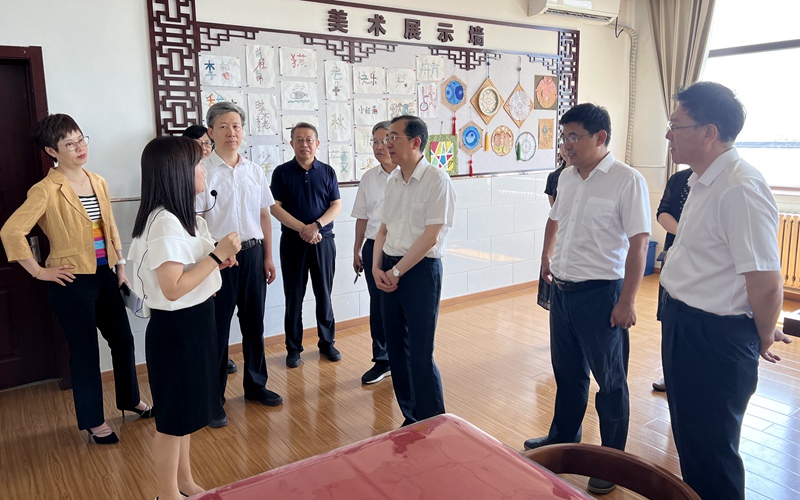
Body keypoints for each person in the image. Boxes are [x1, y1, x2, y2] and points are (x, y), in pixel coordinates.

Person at [659, 81, 791, 500]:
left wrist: (762, 333)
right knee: (692, 442)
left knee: (712, 453)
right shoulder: (703, 180)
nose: (668, 135)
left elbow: (766, 282)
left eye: (676, 125)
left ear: (708, 132)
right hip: (685, 322)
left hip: (713, 337)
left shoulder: (740, 186)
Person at [522, 103, 651, 496]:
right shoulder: (566, 177)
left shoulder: (627, 180)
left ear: (600, 137)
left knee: (610, 382)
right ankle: (563, 439)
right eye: (564, 137)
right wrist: (546, 256)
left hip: (602, 294)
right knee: (568, 373)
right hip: (563, 291)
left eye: (574, 137)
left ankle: (611, 461)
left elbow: (639, 243)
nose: (566, 145)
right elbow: (555, 218)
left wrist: (627, 301)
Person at [0, 114, 152, 444]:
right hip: (71, 282)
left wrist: (120, 265)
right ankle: (94, 421)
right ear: (51, 151)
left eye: (81, 139)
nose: (80, 147)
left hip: (105, 274)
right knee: (84, 352)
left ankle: (130, 399)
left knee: (123, 340)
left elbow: (109, 226)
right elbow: (11, 231)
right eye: (69, 144)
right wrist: (39, 271)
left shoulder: (97, 181)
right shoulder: (45, 190)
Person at [128, 136, 241, 500]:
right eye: (197, 164)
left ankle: (186, 483)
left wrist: (216, 260)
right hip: (177, 329)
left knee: (186, 413)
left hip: (196, 322)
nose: (203, 170)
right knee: (172, 420)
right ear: (177, 172)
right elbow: (173, 288)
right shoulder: (164, 222)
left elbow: (189, 270)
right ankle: (167, 494)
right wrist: (216, 256)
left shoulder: (180, 216)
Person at [197, 102, 282, 430]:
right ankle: (213, 399)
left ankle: (256, 385)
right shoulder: (202, 171)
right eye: (223, 126)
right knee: (217, 331)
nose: (231, 132)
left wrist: (268, 256)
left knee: (254, 324)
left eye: (236, 126)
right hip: (219, 260)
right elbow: (197, 222)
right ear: (211, 131)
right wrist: (212, 257)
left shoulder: (254, 170)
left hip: (252, 254)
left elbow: (264, 215)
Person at [372, 115, 456, 425]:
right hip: (389, 268)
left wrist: (396, 273)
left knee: (420, 353)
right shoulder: (393, 180)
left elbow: (431, 236)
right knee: (397, 351)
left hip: (420, 271)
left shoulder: (437, 180)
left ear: (416, 142)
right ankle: (411, 417)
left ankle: (433, 421)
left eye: (394, 137)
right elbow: (383, 230)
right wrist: (376, 268)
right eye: (386, 138)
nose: (387, 143)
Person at [270, 123, 342, 368]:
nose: (304, 144)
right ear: (291, 144)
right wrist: (304, 228)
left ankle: (327, 342)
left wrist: (317, 226)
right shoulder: (281, 172)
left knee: (324, 294)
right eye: (299, 140)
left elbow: (336, 205)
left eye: (309, 139)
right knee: (294, 296)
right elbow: (275, 207)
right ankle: (293, 348)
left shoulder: (328, 171)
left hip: (324, 241)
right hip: (293, 242)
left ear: (317, 143)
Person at [182, 124, 236, 376]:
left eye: (207, 143)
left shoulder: (210, 174)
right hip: (205, 257)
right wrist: (215, 255)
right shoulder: (184, 183)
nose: (204, 149)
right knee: (212, 319)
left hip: (220, 255)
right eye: (198, 144)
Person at [352, 121, 397, 384]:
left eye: (384, 141)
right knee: (378, 305)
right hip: (372, 247)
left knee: (401, 305)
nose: (379, 147)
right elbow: (362, 217)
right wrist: (356, 250)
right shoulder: (369, 178)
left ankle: (403, 357)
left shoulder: (408, 174)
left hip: (401, 248)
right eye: (375, 142)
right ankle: (382, 360)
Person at [651, 167, 692, 392]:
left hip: (702, 259)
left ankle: (692, 376)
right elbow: (663, 212)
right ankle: (670, 374)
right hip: (675, 249)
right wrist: (684, 234)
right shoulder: (679, 178)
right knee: (669, 318)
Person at [537, 142, 569, 310]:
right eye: (563, 145)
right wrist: (546, 254)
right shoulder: (556, 176)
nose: (567, 149)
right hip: (560, 233)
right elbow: (554, 212)